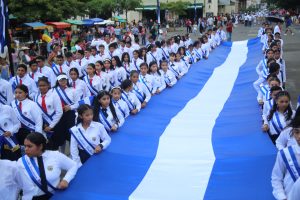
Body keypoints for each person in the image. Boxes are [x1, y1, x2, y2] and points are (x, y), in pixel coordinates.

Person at [17, 133, 78, 199]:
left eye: (29, 146)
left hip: (54, 195)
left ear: (40, 146)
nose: (26, 149)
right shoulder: (21, 162)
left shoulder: (55, 156)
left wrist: (66, 180)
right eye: (25, 146)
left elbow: (73, 165)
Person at [35, 77, 63, 149]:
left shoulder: (54, 95)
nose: (42, 87)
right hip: (42, 125)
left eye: (44, 85)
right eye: (40, 86)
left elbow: (59, 112)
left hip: (54, 125)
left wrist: (51, 126)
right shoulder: (36, 97)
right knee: (44, 146)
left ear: (48, 85)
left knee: (55, 147)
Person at [53, 74, 79, 150]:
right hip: (58, 116)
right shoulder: (53, 91)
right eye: (61, 80)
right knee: (61, 135)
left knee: (71, 134)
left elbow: (78, 103)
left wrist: (70, 107)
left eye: (64, 79)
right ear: (58, 81)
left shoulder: (73, 90)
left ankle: (72, 153)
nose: (63, 81)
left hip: (70, 115)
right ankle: (62, 153)